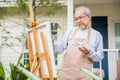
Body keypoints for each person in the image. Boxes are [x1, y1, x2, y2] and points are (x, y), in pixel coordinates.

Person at [53, 6, 104, 80]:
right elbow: (60, 48)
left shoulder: (96, 35)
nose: (78, 21)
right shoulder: (71, 31)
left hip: (83, 76)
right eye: (76, 19)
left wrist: (90, 53)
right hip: (66, 74)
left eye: (80, 17)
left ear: (88, 17)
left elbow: (100, 56)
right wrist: (52, 42)